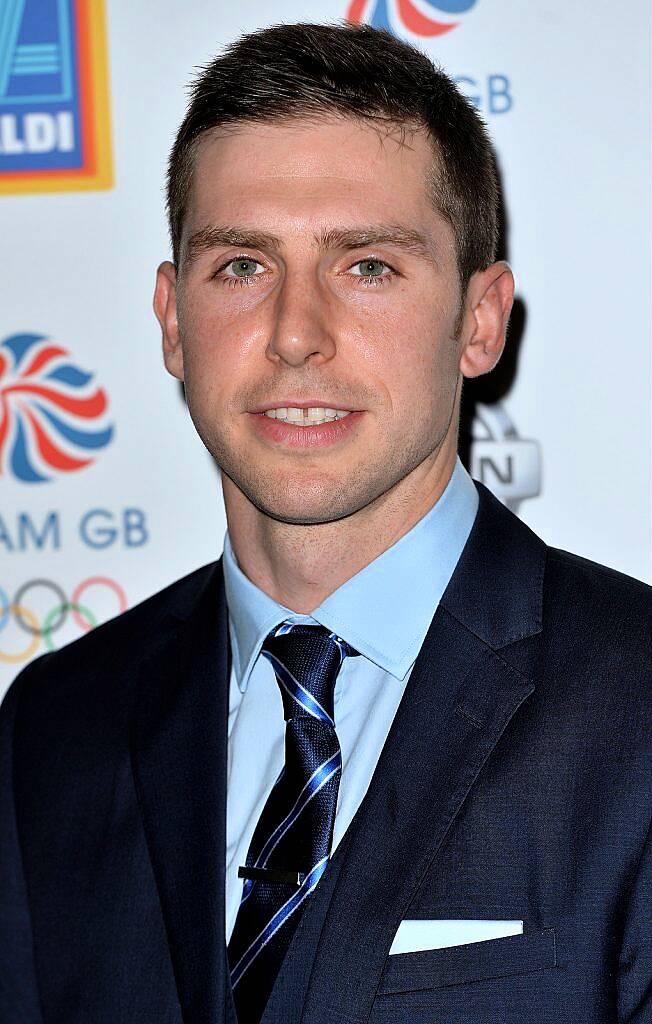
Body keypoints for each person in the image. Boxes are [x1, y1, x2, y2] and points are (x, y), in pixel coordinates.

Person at [1, 19, 650, 1024]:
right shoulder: (53, 727)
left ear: (479, 320)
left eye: (368, 267)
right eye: (242, 266)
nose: (295, 335)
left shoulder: (638, 703)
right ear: (173, 319)